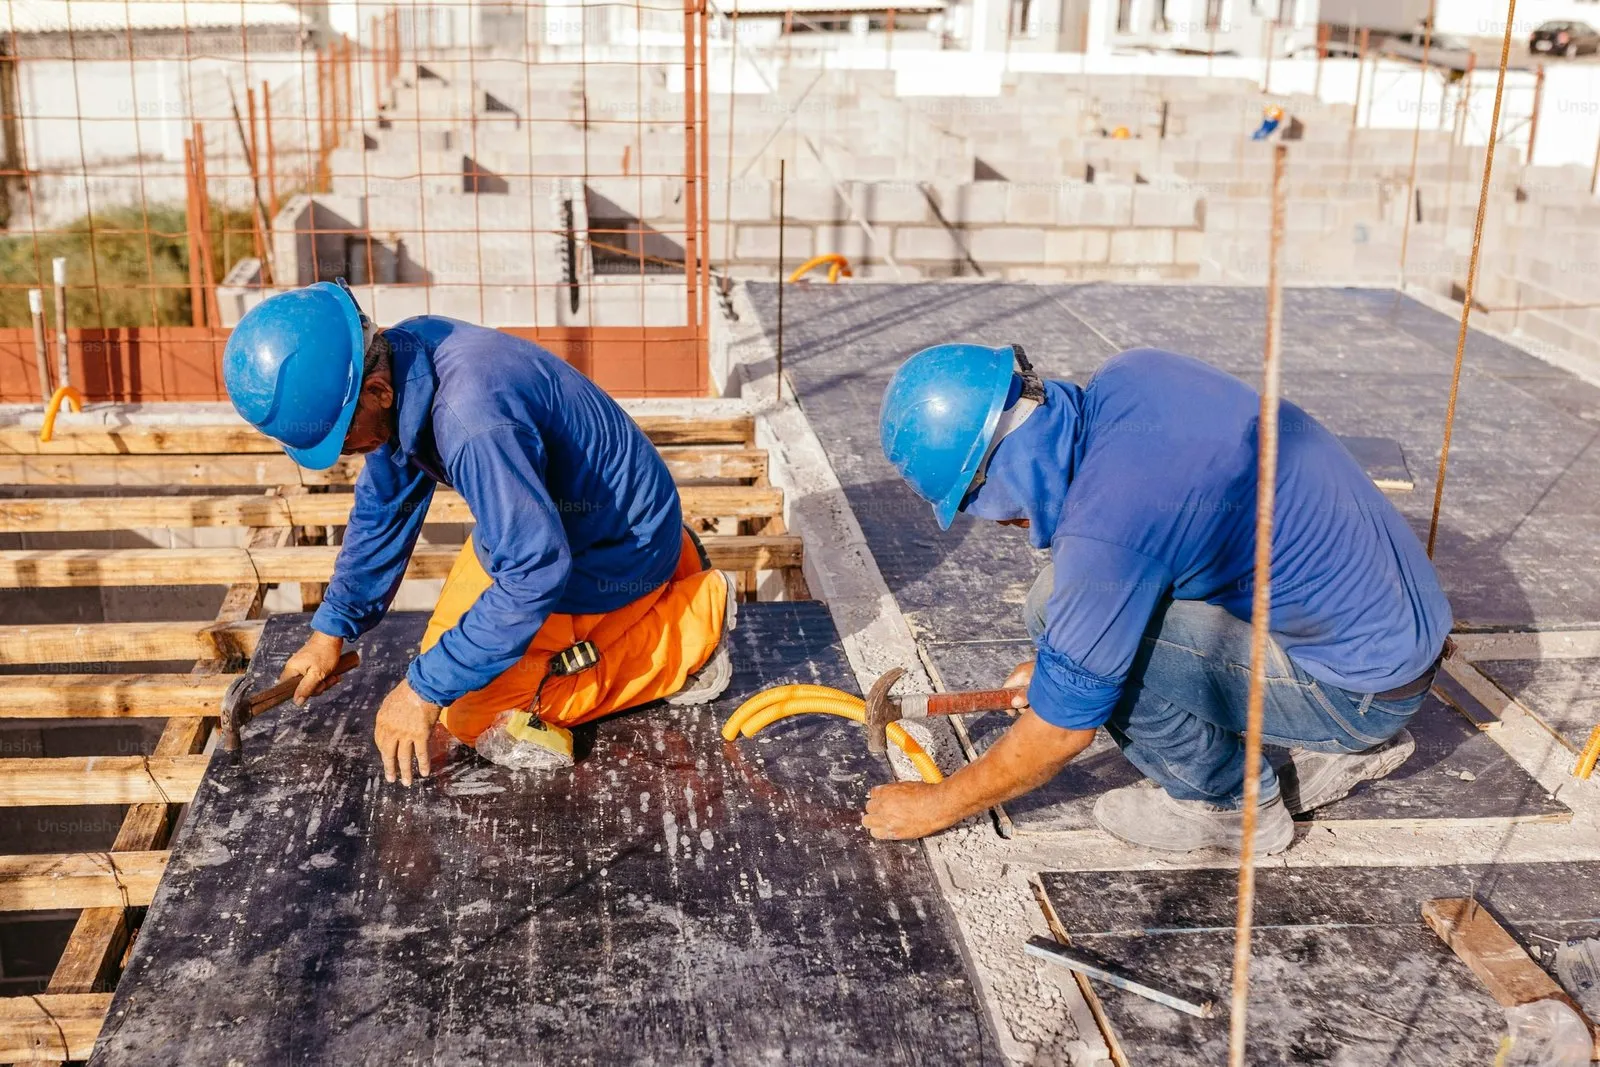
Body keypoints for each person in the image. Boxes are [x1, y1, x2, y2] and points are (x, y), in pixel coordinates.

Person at [862, 343, 1452, 854]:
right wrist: (1058, 664)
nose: (998, 524)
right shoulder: (1133, 375)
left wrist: (937, 804)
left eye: (975, 503)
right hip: (1396, 641)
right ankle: (1326, 748)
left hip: (1360, 689)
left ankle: (1226, 808)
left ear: (997, 470)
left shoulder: (1109, 531)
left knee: (1060, 616)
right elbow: (1165, 539)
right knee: (1075, 631)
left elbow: (1061, 732)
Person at [222, 281, 735, 784]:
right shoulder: (408, 354)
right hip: (554, 526)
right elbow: (385, 506)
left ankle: (692, 625)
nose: (341, 453)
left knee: (475, 715)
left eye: (341, 438)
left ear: (376, 391)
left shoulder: (472, 422)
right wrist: (331, 631)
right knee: (448, 662)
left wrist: (422, 693)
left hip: (611, 552)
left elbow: (533, 574)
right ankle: (675, 564)